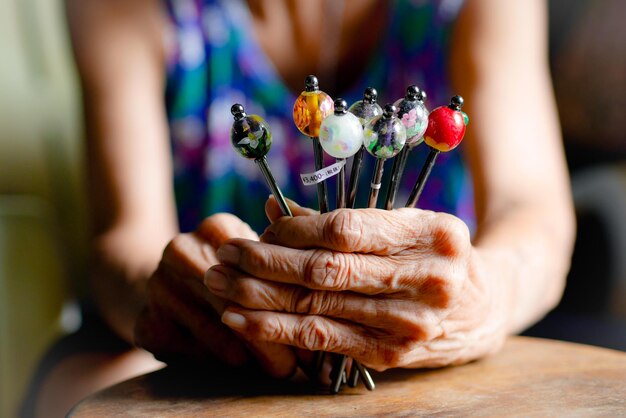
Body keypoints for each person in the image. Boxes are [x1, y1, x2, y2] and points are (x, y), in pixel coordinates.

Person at [24, 0, 575, 416]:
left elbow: (532, 212)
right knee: (90, 390)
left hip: (429, 352)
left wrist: (483, 298)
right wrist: (169, 293)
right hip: (218, 361)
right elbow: (125, 240)